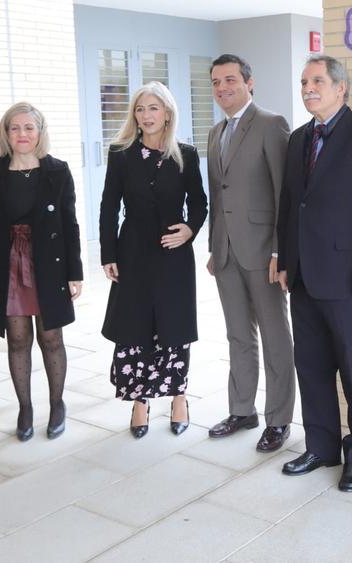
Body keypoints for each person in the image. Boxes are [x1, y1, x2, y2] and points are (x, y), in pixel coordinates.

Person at [275, 55, 352, 492]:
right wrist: (285, 260)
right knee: (310, 365)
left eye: (318, 81)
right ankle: (321, 447)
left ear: (341, 88)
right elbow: (290, 205)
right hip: (305, 275)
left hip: (351, 278)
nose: (309, 88)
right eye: (304, 81)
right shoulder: (297, 139)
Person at [100, 81, 207, 439]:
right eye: (140, 109)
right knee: (135, 327)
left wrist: (189, 230)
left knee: (174, 328)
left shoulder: (185, 154)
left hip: (173, 254)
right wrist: (108, 253)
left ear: (167, 113)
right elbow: (108, 206)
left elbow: (200, 203)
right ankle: (140, 400)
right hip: (132, 252)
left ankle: (179, 397)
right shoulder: (120, 153)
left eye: (153, 108)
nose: (146, 115)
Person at [0, 102, 84, 442]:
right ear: (5, 133)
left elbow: (69, 223)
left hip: (47, 264)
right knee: (18, 339)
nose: (22, 134)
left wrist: (75, 272)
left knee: (51, 337)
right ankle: (25, 408)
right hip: (8, 266)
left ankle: (57, 404)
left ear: (40, 132)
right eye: (14, 128)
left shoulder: (57, 170)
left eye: (29, 128)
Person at [205, 54, 296, 453]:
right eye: (216, 82)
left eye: (230, 80)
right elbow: (216, 197)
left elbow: (284, 195)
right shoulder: (214, 132)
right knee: (238, 335)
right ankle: (242, 410)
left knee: (277, 339)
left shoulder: (271, 124)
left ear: (248, 83)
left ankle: (279, 419)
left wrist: (281, 251)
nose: (222, 88)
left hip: (264, 253)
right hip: (225, 252)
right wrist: (213, 246)